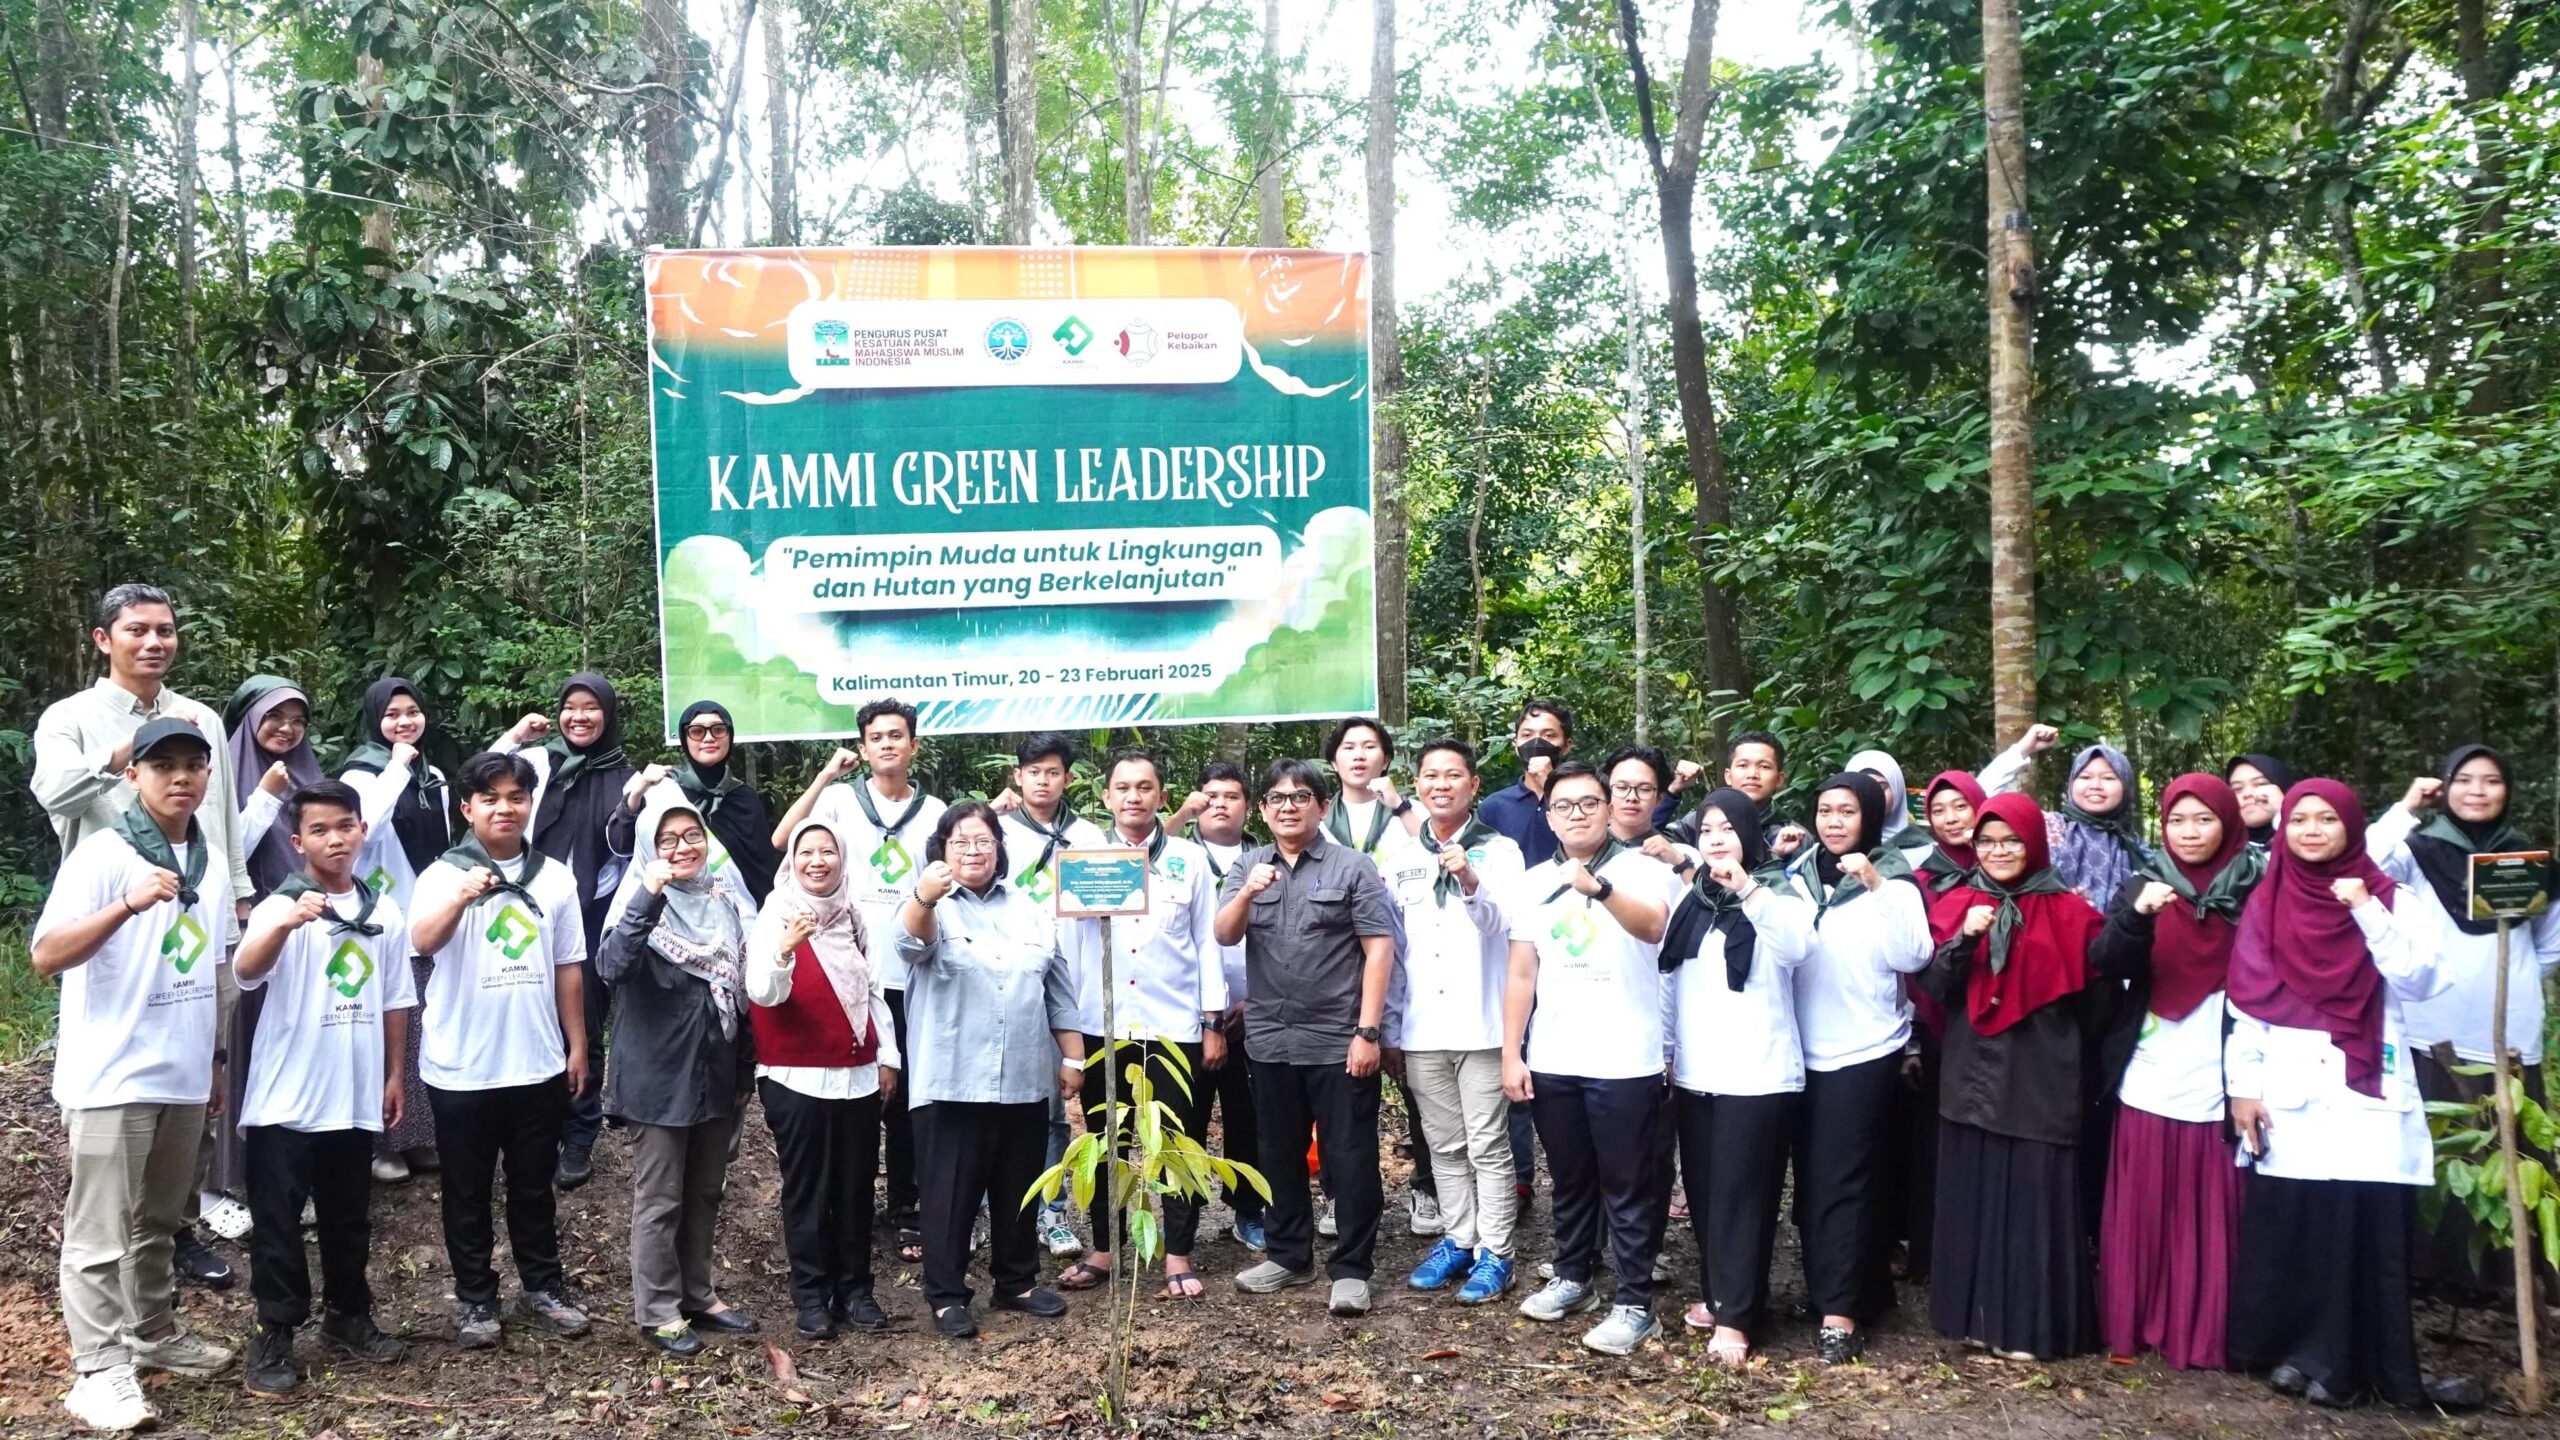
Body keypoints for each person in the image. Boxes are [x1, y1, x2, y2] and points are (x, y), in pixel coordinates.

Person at [2225, 781, 2481, 1411]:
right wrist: (2243, 1089)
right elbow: (2249, 1004)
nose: (2311, 830)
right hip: (2289, 1090)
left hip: (2367, 1086)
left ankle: (2359, 1368)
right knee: (2300, 1225)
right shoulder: (2269, 900)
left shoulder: (2390, 896)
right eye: (2300, 820)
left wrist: (2366, 908)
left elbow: (2423, 980)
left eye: (2326, 819)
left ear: (2351, 826)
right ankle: (2299, 1356)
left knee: (2360, 1230)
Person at [32, 585, 251, 1291]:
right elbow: (53, 796)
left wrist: (235, 900)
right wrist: (125, 749)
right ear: (105, 640)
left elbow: (223, 821)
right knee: (117, 1077)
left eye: (165, 630)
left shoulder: (203, 721)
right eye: (137, 631)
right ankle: (111, 1231)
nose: (154, 642)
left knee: (199, 1069)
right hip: (118, 924)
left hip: (196, 919)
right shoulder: (71, 719)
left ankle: (176, 1223)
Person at [32, 717, 239, 1433]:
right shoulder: (104, 854)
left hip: (180, 1070)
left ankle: (152, 1330)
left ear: (208, 775)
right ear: (134, 776)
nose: (180, 777)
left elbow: (213, 971)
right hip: (111, 1074)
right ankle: (97, 1370)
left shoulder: (204, 863)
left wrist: (213, 1061)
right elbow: (47, 954)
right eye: (163, 765)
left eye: (193, 764)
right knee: (99, 1233)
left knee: (160, 1219)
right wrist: (124, 904)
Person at [231, 780, 415, 1397]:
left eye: (345, 825)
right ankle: (275, 1332)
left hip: (354, 1089)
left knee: (349, 1215)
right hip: (286, 1096)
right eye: (319, 830)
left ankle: (347, 1314)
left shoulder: (382, 909)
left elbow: (394, 997)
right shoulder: (281, 905)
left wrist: (394, 1072)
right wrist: (285, 922)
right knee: (278, 1220)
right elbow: (246, 970)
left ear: (362, 828)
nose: (335, 839)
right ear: (297, 842)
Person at [406, 751, 592, 1349]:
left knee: (533, 1184)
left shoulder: (554, 877)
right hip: (462, 1066)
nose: (504, 808)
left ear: (530, 805)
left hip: (535, 1060)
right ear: (467, 809)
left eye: (516, 797)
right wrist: (462, 897)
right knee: (466, 1188)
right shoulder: (442, 874)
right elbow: (422, 942)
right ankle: (476, 1298)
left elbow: (568, 966)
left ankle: (543, 1285)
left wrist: (578, 1043)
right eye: (490, 799)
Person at [1501, 760, 1681, 1356]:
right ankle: (1573, 1276)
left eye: (1587, 803)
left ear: (1609, 809)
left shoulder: (1642, 868)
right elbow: (1522, 973)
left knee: (1627, 1185)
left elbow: (1654, 928)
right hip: (1555, 1055)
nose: (1576, 814)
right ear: (1548, 817)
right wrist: (1512, 1053)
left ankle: (1634, 1302)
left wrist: (1599, 889)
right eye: (1563, 806)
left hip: (1625, 1058)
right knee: (1572, 1178)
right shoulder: (1532, 883)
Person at [1921, 794, 2109, 1361]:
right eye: (1987, 842)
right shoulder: (1959, 904)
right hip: (1970, 1073)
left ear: (2035, 844)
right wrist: (1966, 940)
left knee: (2033, 1196)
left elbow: (2099, 1009)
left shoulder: (2075, 913)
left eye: (2011, 841)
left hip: (2040, 1076)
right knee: (1974, 1189)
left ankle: (2031, 1327)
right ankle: (1971, 1316)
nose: (1998, 851)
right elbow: (1935, 989)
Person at [2368, 745, 2560, 1299]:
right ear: (2445, 787)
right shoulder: (2417, 851)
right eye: (2464, 780)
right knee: (2439, 1143)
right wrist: (2406, 807)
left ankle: (2508, 1278)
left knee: (2512, 1145)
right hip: (2433, 1027)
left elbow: (2548, 943)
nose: (2477, 791)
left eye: (2491, 780)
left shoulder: (2531, 860)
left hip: (2508, 1029)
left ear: (2508, 790)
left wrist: (2516, 975)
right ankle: (2432, 1272)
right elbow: (2363, 868)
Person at [893, 804, 1086, 1340]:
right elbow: (909, 943)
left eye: (983, 841)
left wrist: (1072, 1057)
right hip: (951, 1078)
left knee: (1017, 1187)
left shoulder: (1029, 909)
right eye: (960, 842)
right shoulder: (933, 905)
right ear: (942, 849)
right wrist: (924, 896)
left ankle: (1016, 1282)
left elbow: (1058, 991)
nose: (973, 851)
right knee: (950, 1193)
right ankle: (948, 1295)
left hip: (1024, 1076)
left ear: (999, 847)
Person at [2088, 774, 2262, 1369]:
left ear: (2227, 823)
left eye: (2204, 820)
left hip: (2229, 1059)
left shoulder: (2257, 885)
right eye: (2178, 821)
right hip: (2152, 1058)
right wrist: (2138, 916)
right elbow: (2104, 962)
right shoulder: (2144, 882)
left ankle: (2205, 1326)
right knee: (2146, 1194)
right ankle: (2135, 1321)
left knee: (2214, 1194)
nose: (2189, 833)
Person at [1217, 759, 1400, 1317]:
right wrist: (1248, 893)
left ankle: (1351, 1268)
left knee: (1349, 1157)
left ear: (1322, 807)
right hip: (1271, 1039)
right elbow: (1224, 934)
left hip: (1339, 1039)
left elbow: (1379, 948)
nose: (1288, 806)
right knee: (1278, 1154)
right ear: (1264, 809)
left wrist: (1368, 1031)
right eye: (1276, 798)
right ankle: (1288, 1255)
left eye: (1300, 797)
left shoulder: (1353, 867)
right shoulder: (1249, 865)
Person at [769, 698, 946, 1259]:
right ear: (864, 747)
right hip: (851, 973)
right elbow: (784, 842)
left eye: (898, 735)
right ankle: (852, 1208)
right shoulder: (843, 801)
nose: (888, 744)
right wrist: (824, 776)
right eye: (877, 736)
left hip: (914, 972)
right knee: (863, 1095)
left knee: (911, 1092)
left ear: (914, 745)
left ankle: (908, 1205)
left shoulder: (934, 809)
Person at [1050, 749, 1226, 1299]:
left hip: (1174, 1028)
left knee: (1179, 1142)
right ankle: (1105, 1248)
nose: (1133, 796)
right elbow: (1070, 949)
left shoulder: (1190, 861)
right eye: (1122, 787)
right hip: (1105, 1024)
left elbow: (1206, 943)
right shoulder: (1082, 858)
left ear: (1162, 797)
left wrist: (1212, 1019)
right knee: (1105, 1141)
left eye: (1145, 787)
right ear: (1106, 798)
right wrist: (1074, 1036)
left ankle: (1178, 1254)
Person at [597, 795, 762, 1356]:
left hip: (717, 1070)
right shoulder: (638, 907)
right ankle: (659, 1309)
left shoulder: (723, 899)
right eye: (668, 839)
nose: (683, 847)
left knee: (706, 1192)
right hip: (657, 1076)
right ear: (649, 847)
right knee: (661, 1196)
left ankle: (699, 1293)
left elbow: (738, 990)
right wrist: (650, 890)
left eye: (692, 835)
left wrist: (744, 1068)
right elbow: (612, 967)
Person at [1779, 771, 1932, 1361]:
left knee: (1845, 1180)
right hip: (1799, 1051)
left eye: (1847, 811)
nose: (1834, 821)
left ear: (1868, 817)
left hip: (1865, 1049)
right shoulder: (1793, 877)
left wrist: (1874, 884)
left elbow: (1913, 955)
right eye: (1825, 810)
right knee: (1814, 1181)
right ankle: (1841, 1291)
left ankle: (1841, 1314)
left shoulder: (1893, 877)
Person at [1662, 788, 1814, 1368]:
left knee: (1744, 1198)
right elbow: (1670, 978)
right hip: (1699, 1072)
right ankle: (1720, 1293)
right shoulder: (1693, 900)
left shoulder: (1780, 891)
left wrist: (1746, 888)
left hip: (1760, 1073)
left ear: (1751, 834)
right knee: (1703, 1195)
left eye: (1728, 828)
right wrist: (1668, 1053)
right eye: (1706, 830)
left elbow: (1797, 947)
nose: (1716, 839)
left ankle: (1738, 1317)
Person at [749, 821, 902, 1339]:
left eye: (828, 851)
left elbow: (875, 990)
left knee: (856, 1187)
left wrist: (889, 1058)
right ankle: (811, 1296)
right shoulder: (776, 914)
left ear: (842, 857)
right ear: (792, 859)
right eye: (807, 852)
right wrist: (785, 950)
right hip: (796, 1078)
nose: (818, 861)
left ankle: (856, 1290)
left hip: (857, 1076)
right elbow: (762, 993)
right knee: (808, 1190)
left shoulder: (853, 915)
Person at [1388, 738, 1526, 1306]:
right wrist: (1391, 1028)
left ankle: (1498, 1252)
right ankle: (1457, 1238)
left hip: (1482, 1025)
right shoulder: (1399, 857)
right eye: (1430, 776)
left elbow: (1506, 927)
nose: (1440, 784)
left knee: (1488, 1145)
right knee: (1442, 1145)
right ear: (1417, 786)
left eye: (1453, 776)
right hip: (1422, 1028)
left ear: (1473, 786)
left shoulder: (1503, 852)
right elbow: (1392, 950)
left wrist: (1470, 878)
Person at [494, 674, 635, 1190]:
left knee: (583, 1019)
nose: (580, 717)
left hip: (592, 912)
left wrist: (634, 802)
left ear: (609, 715)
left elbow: (628, 847)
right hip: (530, 901)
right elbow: (481, 784)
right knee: (527, 1011)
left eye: (591, 707)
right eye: (570, 707)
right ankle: (535, 1128)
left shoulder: (624, 774)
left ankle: (579, 1134)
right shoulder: (537, 763)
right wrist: (513, 737)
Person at [211, 675, 325, 1236]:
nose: (286, 728)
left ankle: (288, 1174)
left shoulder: (311, 775)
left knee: (293, 1047)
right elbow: (223, 857)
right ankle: (225, 1185)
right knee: (241, 1052)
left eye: (297, 719)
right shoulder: (222, 777)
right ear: (248, 720)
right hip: (248, 934)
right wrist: (263, 798)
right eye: (274, 717)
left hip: (307, 936)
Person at [993, 731, 1108, 1261]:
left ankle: (1053, 1212)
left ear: (1068, 777)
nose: (1043, 779)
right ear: (1018, 776)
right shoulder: (993, 832)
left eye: (1053, 771)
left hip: (1072, 983)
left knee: (1055, 1111)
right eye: (1033, 771)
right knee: (989, 1103)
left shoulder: (1087, 834)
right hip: (1006, 981)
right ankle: (985, 1211)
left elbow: (1117, 900)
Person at [1323, 718, 1438, 1240]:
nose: (1359, 755)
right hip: (1342, 961)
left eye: (1370, 746)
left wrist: (1401, 805)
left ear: (1387, 759)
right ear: (1334, 761)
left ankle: (1428, 1186)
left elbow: (1435, 849)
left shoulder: (1405, 812)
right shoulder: (1318, 813)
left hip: (1409, 956)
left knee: (1418, 1082)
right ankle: (1337, 1194)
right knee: (1339, 1085)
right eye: (1349, 747)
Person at [339, 678, 450, 1183]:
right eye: (392, 714)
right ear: (374, 720)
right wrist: (395, 769)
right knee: (388, 1031)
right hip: (380, 916)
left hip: (425, 915)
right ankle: (381, 1144)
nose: (404, 722)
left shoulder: (435, 776)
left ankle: (419, 1136)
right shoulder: (361, 774)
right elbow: (364, 833)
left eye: (412, 712)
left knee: (423, 1025)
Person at [1180, 761, 1266, 1250]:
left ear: (1247, 806)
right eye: (1210, 795)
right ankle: (1182, 1220)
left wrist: (1255, 1002)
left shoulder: (1265, 857)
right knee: (1187, 1120)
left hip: (1254, 1010)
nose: (1219, 804)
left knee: (1248, 1119)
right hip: (1187, 1013)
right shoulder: (1175, 854)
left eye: (1231, 796)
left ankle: (1247, 1211)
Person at [608, 700, 784, 907]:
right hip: (674, 917)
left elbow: (761, 871)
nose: (709, 738)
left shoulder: (745, 798)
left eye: (718, 730)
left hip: (738, 916)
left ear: (730, 736)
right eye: (697, 731)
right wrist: (639, 791)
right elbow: (621, 843)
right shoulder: (662, 789)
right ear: (684, 738)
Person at [2047, 743, 2150, 910]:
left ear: (2126, 785)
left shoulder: (2134, 846)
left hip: (2121, 935)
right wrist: (2024, 748)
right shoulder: (2050, 827)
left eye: (2108, 778)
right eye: (2085, 777)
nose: (2095, 785)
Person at [1477, 699, 1574, 867]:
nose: (1536, 742)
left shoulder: (1583, 801)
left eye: (1549, 735)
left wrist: (1550, 786)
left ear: (1566, 746)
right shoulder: (1494, 806)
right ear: (1515, 745)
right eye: (1527, 735)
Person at [2224, 754, 2298, 849]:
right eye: (2237, 789)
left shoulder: (2313, 840)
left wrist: (2283, 812)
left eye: (2260, 784)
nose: (2247, 794)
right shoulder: (2220, 851)